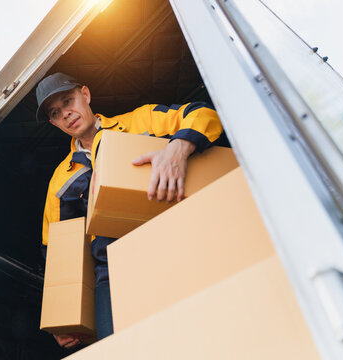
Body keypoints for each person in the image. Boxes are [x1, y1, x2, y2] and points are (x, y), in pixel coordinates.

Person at [37, 73, 227, 348]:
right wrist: (65, 314)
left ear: (86, 95)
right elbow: (58, 254)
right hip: (111, 277)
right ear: (54, 122)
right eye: (56, 113)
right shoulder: (60, 180)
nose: (66, 114)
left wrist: (178, 148)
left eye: (68, 101)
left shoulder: (142, 121)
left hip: (173, 247)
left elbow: (204, 112)